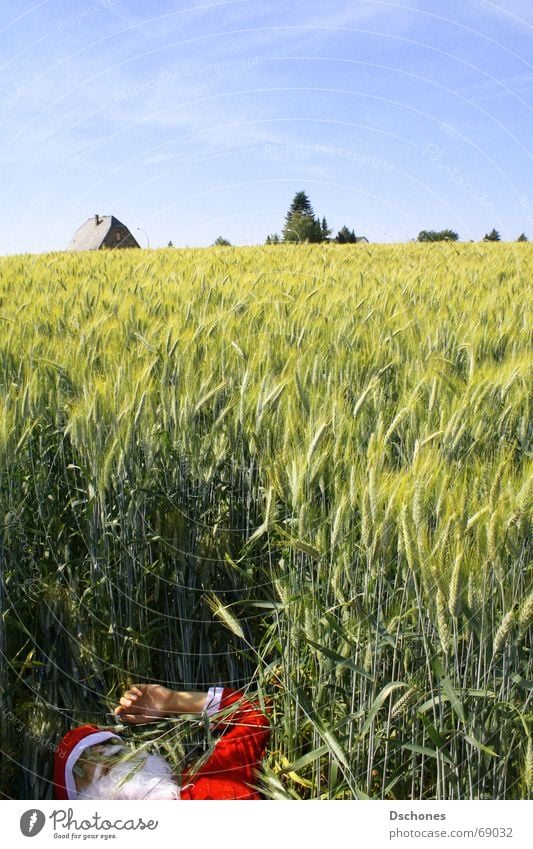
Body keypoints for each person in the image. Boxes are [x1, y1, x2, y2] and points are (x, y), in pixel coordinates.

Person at [53, 684, 270, 800]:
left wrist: (173, 701)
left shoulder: (206, 783)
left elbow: (255, 715)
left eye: (108, 744)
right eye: (82, 763)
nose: (101, 752)